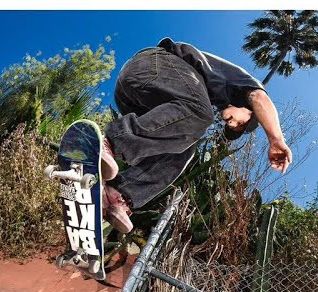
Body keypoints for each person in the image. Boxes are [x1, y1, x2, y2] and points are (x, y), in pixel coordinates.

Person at [99, 38, 293, 234]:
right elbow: (260, 98)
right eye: (241, 124)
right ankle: (108, 144)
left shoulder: (206, 98)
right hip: (153, 66)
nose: (232, 124)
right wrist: (276, 140)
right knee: (200, 114)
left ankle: (115, 194)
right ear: (249, 110)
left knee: (183, 150)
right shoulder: (244, 87)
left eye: (233, 128)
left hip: (135, 96)